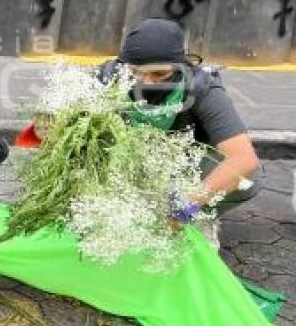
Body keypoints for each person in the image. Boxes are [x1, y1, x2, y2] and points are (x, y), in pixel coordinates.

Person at [97, 19, 261, 242]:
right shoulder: (106, 78)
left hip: (183, 167)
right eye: (136, 73)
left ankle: (202, 218)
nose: (147, 82)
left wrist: (190, 203)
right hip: (128, 159)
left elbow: (244, 160)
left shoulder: (202, 88)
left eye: (159, 75)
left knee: (247, 182)